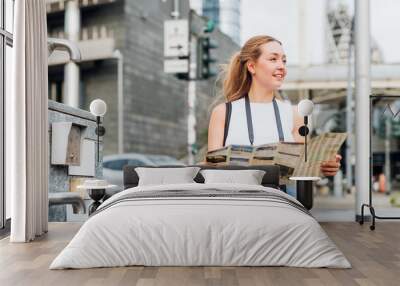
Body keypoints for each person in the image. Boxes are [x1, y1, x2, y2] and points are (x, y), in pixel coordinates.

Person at [207, 35, 341, 193]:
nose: (281, 66)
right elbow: (211, 168)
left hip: (280, 204)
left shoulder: (294, 114)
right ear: (252, 67)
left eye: (284, 60)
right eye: (273, 59)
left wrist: (323, 165)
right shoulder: (223, 112)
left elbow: (301, 169)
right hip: (236, 202)